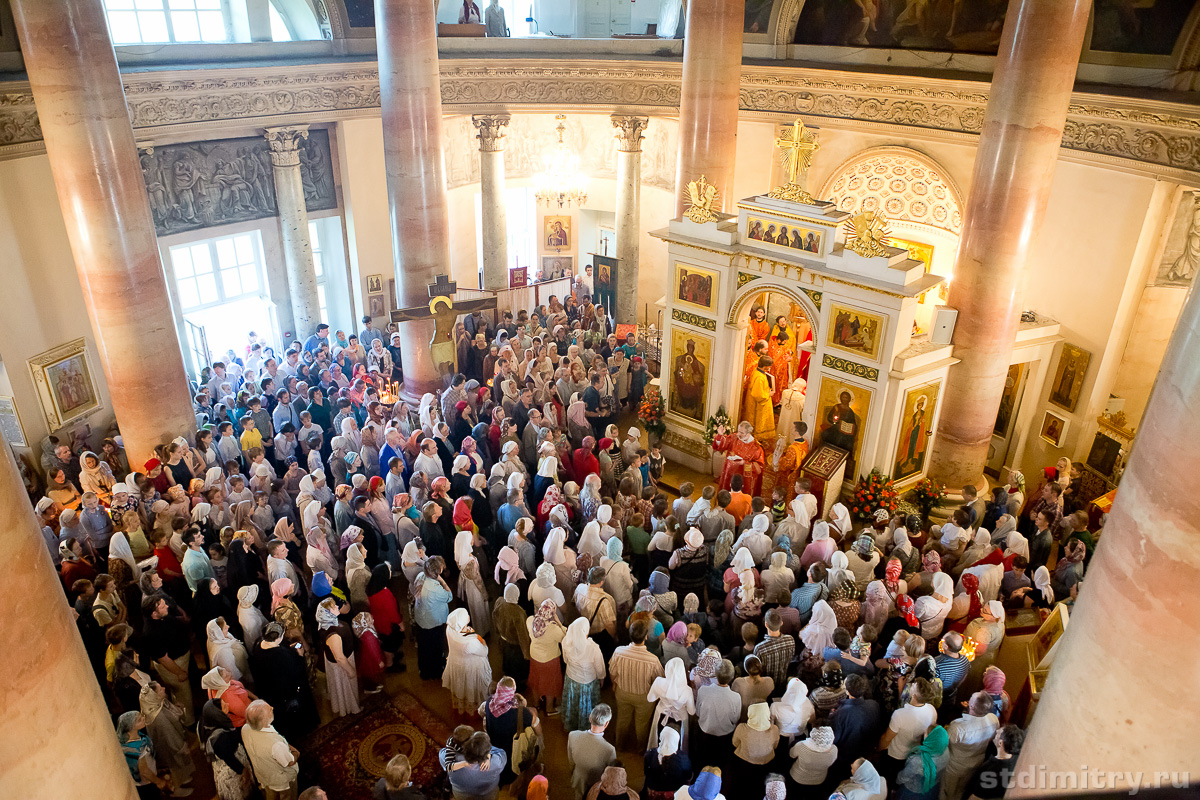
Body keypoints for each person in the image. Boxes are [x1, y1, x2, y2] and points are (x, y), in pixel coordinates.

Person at [608, 618, 664, 749]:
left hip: (622, 692)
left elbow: (612, 672)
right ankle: (640, 748)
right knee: (642, 724)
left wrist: (614, 684)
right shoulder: (653, 660)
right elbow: (659, 679)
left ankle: (620, 746)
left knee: (622, 719)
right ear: (646, 637)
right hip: (644, 696)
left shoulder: (619, 652)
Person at [941, 692, 1000, 800]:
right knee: (962, 790)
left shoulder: (958, 727)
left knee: (947, 791)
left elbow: (944, 743)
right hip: (977, 761)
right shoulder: (993, 719)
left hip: (955, 766)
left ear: (971, 706)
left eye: (971, 698)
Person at [879, 678, 938, 781]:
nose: (911, 685)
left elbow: (887, 739)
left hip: (896, 754)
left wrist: (879, 748)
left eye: (913, 686)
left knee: (889, 777)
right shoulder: (932, 710)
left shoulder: (900, 714)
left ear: (913, 695)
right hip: (914, 751)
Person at [242, 700, 301, 800]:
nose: (272, 708)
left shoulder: (245, 728)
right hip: (282, 781)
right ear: (264, 720)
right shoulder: (275, 745)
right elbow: (289, 762)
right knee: (289, 796)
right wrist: (296, 752)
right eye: (269, 709)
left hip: (264, 775)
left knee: (271, 795)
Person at [117, 710, 180, 798]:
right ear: (131, 727)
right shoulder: (135, 749)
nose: (143, 718)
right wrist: (159, 782)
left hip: (151, 775)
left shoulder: (137, 735)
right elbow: (144, 771)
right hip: (145, 783)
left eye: (141, 716)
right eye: (139, 720)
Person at [316, 596, 361, 717]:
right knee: (346, 688)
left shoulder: (328, 622)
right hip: (342, 665)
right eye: (333, 607)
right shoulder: (332, 633)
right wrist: (350, 670)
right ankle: (349, 707)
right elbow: (340, 658)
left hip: (342, 658)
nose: (337, 607)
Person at [561, 617, 607, 732]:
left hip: (571, 679)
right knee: (586, 706)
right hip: (588, 682)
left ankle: (570, 725)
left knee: (572, 703)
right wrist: (601, 678)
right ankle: (585, 727)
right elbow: (599, 667)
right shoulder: (593, 648)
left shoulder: (566, 642)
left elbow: (565, 660)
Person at [444, 607, 493, 714]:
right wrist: (482, 641)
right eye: (465, 623)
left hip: (456, 663)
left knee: (462, 686)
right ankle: (477, 706)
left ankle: (462, 705)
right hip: (471, 666)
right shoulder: (470, 641)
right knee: (471, 687)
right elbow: (484, 652)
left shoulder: (450, 629)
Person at [567, 704, 617, 800]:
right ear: (606, 724)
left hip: (578, 778)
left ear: (590, 718)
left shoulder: (572, 735)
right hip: (597, 784)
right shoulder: (609, 749)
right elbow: (611, 773)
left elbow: (571, 761)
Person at [527, 598, 567, 714]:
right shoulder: (553, 628)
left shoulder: (530, 621)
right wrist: (558, 622)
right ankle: (549, 709)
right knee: (550, 685)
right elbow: (565, 638)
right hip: (550, 660)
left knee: (536, 681)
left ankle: (536, 705)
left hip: (534, 657)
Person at [964, 725, 1023, 799]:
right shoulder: (1014, 758)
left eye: (998, 733)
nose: (996, 731)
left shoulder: (993, 771)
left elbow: (976, 797)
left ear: (1001, 743)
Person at [731, 702, 780, 789]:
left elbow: (735, 743)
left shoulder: (741, 728)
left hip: (744, 761)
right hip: (766, 762)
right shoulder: (775, 729)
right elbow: (775, 746)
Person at [896, 725, 950, 800]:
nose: (923, 735)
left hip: (913, 791)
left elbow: (904, 776)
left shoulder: (918, 760)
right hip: (932, 786)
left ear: (931, 740)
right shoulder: (945, 751)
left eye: (926, 734)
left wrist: (897, 781)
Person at [644, 726, 692, 800]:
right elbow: (688, 776)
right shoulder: (683, 758)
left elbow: (646, 773)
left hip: (654, 793)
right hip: (675, 794)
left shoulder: (650, 754)